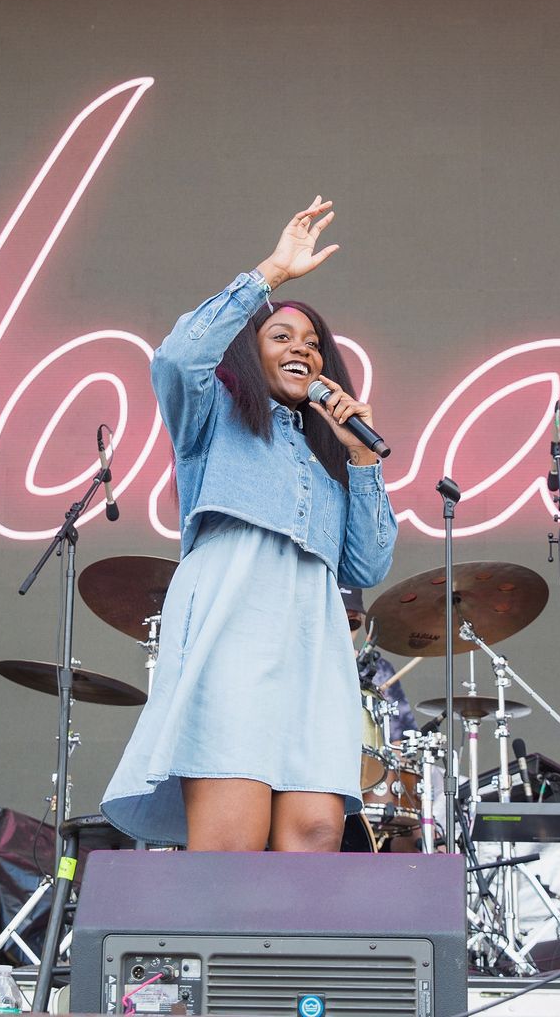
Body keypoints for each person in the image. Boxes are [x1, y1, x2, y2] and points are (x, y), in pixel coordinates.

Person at [101, 197, 399, 853]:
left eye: (313, 345)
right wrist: (271, 274)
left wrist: (360, 459)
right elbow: (176, 359)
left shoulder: (329, 462)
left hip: (311, 634)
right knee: (232, 838)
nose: (303, 351)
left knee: (317, 830)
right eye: (282, 337)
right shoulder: (213, 417)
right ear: (251, 353)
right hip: (234, 618)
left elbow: (369, 565)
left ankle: (293, 931)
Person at [344, 585, 417, 742]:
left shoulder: (380, 669)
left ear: (361, 621)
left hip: (367, 756)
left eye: (351, 623)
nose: (343, 630)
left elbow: (400, 739)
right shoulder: (302, 668)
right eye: (337, 620)